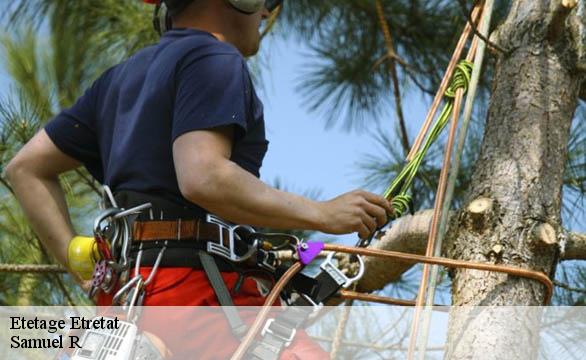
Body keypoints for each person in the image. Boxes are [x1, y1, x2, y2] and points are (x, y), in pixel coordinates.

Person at [5, 0, 393, 358]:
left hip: (128, 302)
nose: (266, 13)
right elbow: (203, 177)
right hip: (197, 300)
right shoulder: (214, 56)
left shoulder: (119, 78)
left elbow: (25, 168)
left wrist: (85, 268)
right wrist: (325, 214)